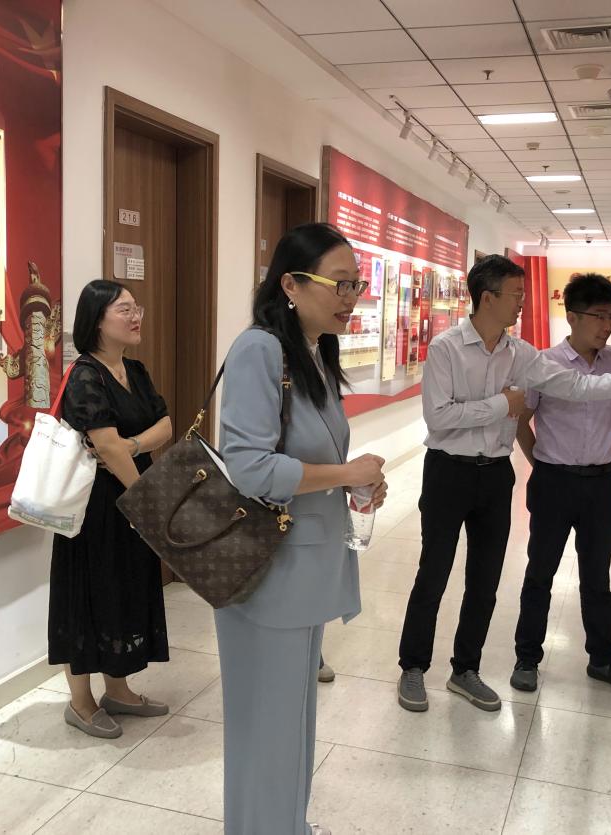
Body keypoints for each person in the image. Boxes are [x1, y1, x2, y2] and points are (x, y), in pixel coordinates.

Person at [396, 254, 611, 713]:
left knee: (485, 581)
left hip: (496, 473)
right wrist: (503, 404)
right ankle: (413, 667)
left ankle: (465, 670)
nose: (522, 304)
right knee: (434, 573)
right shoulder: (446, 348)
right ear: (488, 298)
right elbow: (439, 418)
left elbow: (578, 386)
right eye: (516, 295)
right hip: (449, 471)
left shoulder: (522, 354)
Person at [217, 222, 387, 835]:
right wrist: (346, 472)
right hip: (269, 573)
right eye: (339, 283)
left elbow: (309, 455)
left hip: (302, 569)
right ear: (290, 284)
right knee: (268, 727)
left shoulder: (311, 352)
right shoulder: (260, 349)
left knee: (290, 725)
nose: (351, 297)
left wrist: (352, 482)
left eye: (356, 284)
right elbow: (248, 466)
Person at [511, 273, 611, 697]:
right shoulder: (545, 363)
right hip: (554, 482)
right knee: (540, 573)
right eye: (599, 316)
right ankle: (526, 657)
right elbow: (521, 421)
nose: (607, 325)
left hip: (602, 485)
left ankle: (603, 659)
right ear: (571, 316)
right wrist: (541, 464)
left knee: (597, 577)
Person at [49, 280, 173, 738]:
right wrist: (145, 501)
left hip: (130, 495)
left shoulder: (135, 370)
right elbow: (105, 447)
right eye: (124, 309)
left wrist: (134, 444)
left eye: (136, 308)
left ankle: (117, 689)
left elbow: (165, 425)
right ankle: (80, 702)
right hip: (95, 507)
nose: (136, 316)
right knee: (88, 595)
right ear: (97, 320)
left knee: (123, 592)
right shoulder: (85, 375)